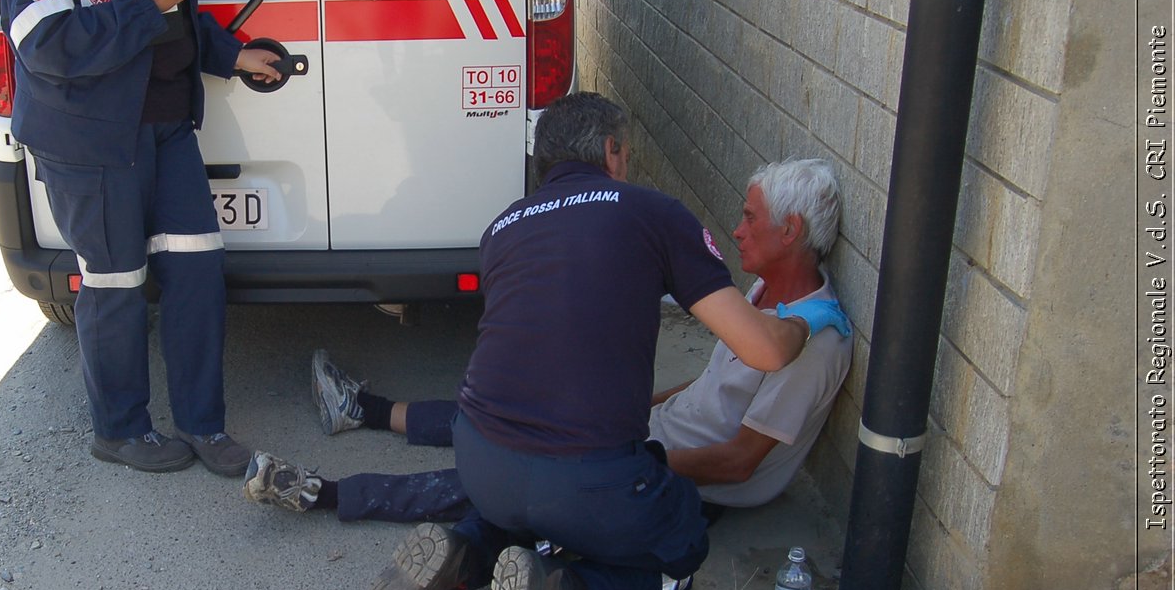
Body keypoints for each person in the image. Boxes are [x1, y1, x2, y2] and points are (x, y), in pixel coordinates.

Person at [335, 93, 849, 590]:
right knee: (680, 545)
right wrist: (802, 323)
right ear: (610, 151)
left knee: (527, 506)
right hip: (590, 480)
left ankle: (463, 552)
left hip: (482, 459)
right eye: (626, 153)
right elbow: (765, 350)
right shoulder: (654, 214)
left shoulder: (502, 227)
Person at [244, 158, 852, 523]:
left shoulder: (815, 338)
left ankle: (325, 495)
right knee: (521, 412)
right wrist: (637, 407)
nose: (738, 229)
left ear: (791, 229)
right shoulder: (764, 298)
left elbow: (740, 462)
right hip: (647, 439)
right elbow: (713, 387)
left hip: (682, 479)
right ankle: (365, 411)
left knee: (495, 486)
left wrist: (634, 462)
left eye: (750, 218)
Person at [0, 0, 281, 477]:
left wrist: (231, 52)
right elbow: (46, 43)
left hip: (164, 127)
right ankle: (119, 429)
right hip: (91, 143)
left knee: (196, 273)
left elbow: (176, 13)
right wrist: (142, 2)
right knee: (117, 282)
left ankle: (203, 426)